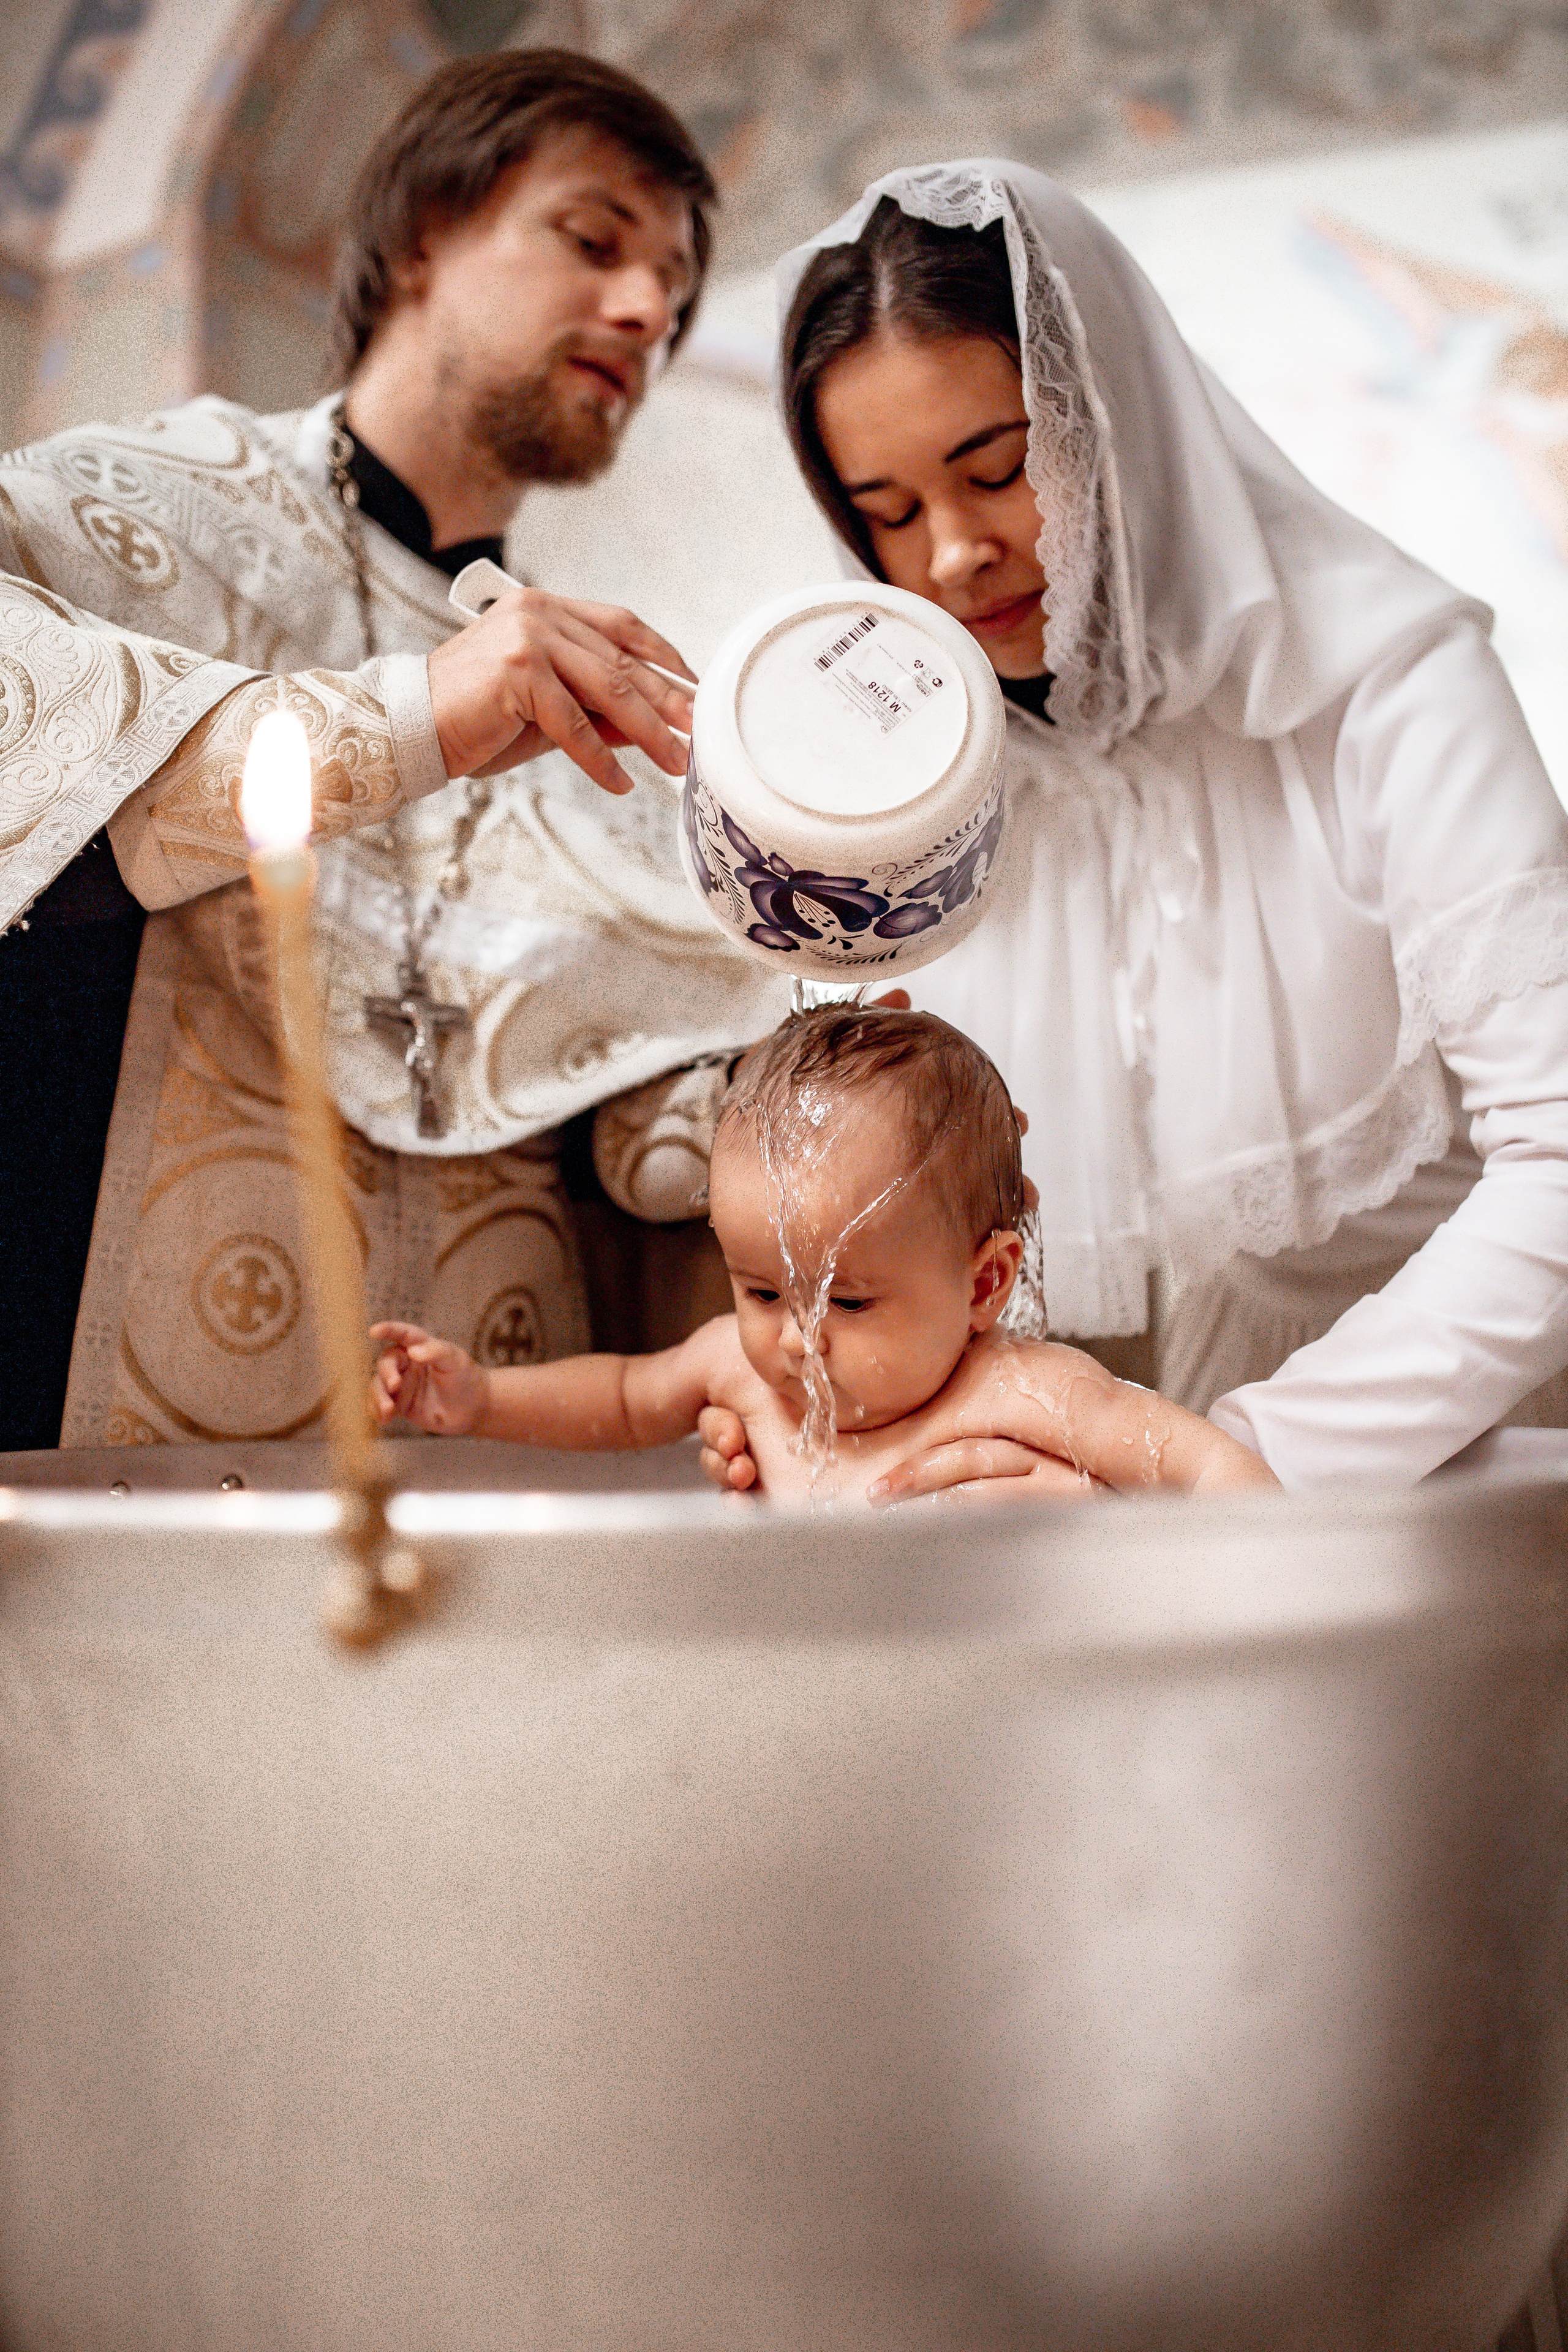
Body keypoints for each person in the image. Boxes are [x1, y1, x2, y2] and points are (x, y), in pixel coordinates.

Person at [0, 50, 786, 1453]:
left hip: (486, 1447)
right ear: (423, 232)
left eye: (670, 285)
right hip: (130, 1402)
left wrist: (781, 1107)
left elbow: (605, 1102)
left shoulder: (599, 687)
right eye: (593, 241)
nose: (645, 308)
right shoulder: (151, 507)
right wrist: (408, 717)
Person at [739, 162, 1568, 1493]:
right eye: (887, 517)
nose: (951, 557)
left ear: (1109, 421)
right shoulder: (959, 776)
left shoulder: (1393, 688)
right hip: (1180, 1424)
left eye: (997, 470)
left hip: (1480, 1407)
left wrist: (1227, 1457)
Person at [370, 1005, 1276, 1502]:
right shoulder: (743, 1377)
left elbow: (1198, 1461)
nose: (798, 1340)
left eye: (847, 1302)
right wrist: (482, 1397)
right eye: (764, 1292)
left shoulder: (1020, 1392)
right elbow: (621, 1399)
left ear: (985, 1282)